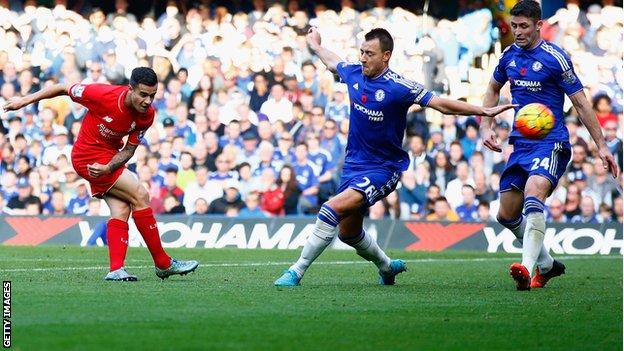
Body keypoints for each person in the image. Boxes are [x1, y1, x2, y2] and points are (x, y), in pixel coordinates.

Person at [274, 27, 514, 286]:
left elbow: (441, 104)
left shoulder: (399, 87)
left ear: (386, 56)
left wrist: (483, 111)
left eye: (370, 53)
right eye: (362, 52)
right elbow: (333, 62)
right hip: (353, 165)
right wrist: (317, 46)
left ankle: (296, 272)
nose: (363, 58)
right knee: (348, 233)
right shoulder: (354, 73)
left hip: (383, 169)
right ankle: (387, 267)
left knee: (330, 208)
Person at [3, 67, 199, 282]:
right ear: (130, 89)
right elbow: (62, 88)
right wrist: (24, 100)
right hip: (86, 156)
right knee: (141, 196)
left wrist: (109, 168)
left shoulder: (147, 115)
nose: (147, 101)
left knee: (122, 208)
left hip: (108, 159)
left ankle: (116, 269)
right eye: (143, 94)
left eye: (152, 95)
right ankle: (163, 263)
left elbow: (129, 150)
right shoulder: (101, 94)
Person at [479, 1, 619, 291]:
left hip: (551, 142)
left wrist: (602, 146)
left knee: (533, 194)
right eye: (514, 26)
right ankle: (547, 265)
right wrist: (486, 125)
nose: (517, 32)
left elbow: (581, 102)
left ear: (538, 25)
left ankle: (526, 269)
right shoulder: (508, 57)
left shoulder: (556, 58)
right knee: (505, 215)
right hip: (520, 144)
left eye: (524, 26)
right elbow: (492, 88)